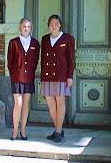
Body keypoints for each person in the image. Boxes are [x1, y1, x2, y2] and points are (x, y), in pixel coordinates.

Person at [40, 14, 75, 143]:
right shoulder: (44, 39)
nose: (53, 25)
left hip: (61, 76)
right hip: (47, 76)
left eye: (56, 23)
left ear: (60, 25)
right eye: (51, 23)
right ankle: (58, 129)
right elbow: (43, 59)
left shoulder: (67, 39)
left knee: (60, 104)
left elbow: (71, 60)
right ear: (48, 26)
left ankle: (58, 131)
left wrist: (70, 76)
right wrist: (42, 77)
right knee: (50, 104)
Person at [7, 18, 40, 140]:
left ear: (31, 28)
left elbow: (35, 61)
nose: (26, 29)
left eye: (28, 27)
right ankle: (15, 130)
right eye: (24, 26)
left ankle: (23, 130)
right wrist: (15, 73)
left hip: (29, 77)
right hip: (17, 77)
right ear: (20, 27)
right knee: (18, 104)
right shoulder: (13, 42)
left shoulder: (35, 44)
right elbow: (9, 62)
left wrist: (30, 71)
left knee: (26, 104)